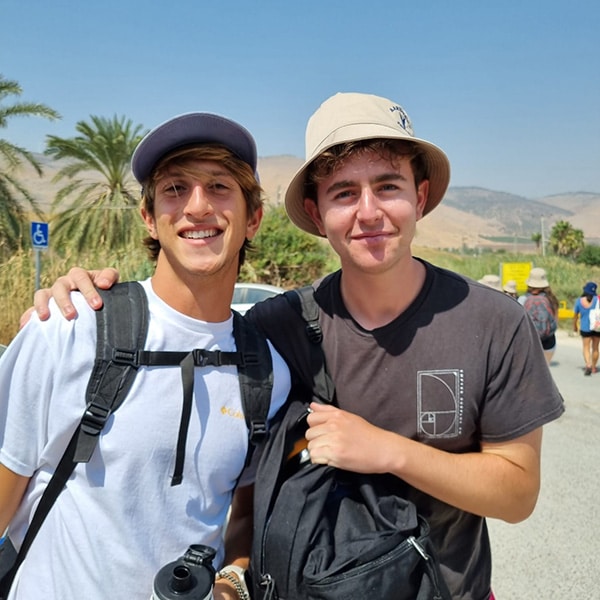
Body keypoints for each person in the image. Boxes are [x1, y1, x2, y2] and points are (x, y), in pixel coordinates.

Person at [28, 92, 565, 600]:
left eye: (389, 187)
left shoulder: (492, 321)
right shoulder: (275, 328)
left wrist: (391, 451)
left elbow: (517, 494)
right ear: (316, 211)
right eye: (345, 194)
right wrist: (75, 307)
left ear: (420, 197)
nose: (369, 212)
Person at [0, 112, 291, 599]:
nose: (197, 207)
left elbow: (240, 518)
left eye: (219, 187)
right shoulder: (71, 328)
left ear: (253, 218)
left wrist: (231, 584)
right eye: (175, 189)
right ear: (150, 218)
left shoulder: (268, 372)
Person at [520, 267, 559, 364]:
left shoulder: (523, 299)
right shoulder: (551, 299)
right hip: (549, 340)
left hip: (530, 339)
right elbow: (555, 321)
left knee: (531, 372)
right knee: (545, 372)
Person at [573, 281, 600, 375]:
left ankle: (588, 364)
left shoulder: (579, 301)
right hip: (597, 327)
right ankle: (593, 367)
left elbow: (575, 315)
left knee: (586, 347)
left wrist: (575, 326)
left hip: (585, 328)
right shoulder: (598, 300)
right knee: (596, 348)